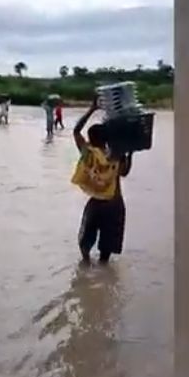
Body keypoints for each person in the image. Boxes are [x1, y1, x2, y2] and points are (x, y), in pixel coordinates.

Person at [71, 96, 133, 264]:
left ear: (91, 139)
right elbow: (125, 172)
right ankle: (102, 276)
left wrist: (92, 109)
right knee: (107, 249)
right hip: (114, 204)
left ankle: (85, 267)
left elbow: (76, 131)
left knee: (85, 242)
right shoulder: (115, 154)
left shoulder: (88, 153)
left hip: (96, 203)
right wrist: (130, 152)